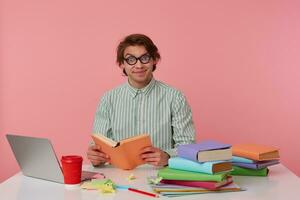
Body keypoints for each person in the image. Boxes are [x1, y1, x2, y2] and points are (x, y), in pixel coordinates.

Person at [87, 33, 195, 167]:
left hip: (161, 177)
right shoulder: (108, 99)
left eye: (144, 58)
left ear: (154, 59)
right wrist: (95, 156)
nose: (139, 65)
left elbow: (188, 147)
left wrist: (168, 157)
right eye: (131, 59)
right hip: (119, 177)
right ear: (122, 64)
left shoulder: (175, 97)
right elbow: (99, 145)